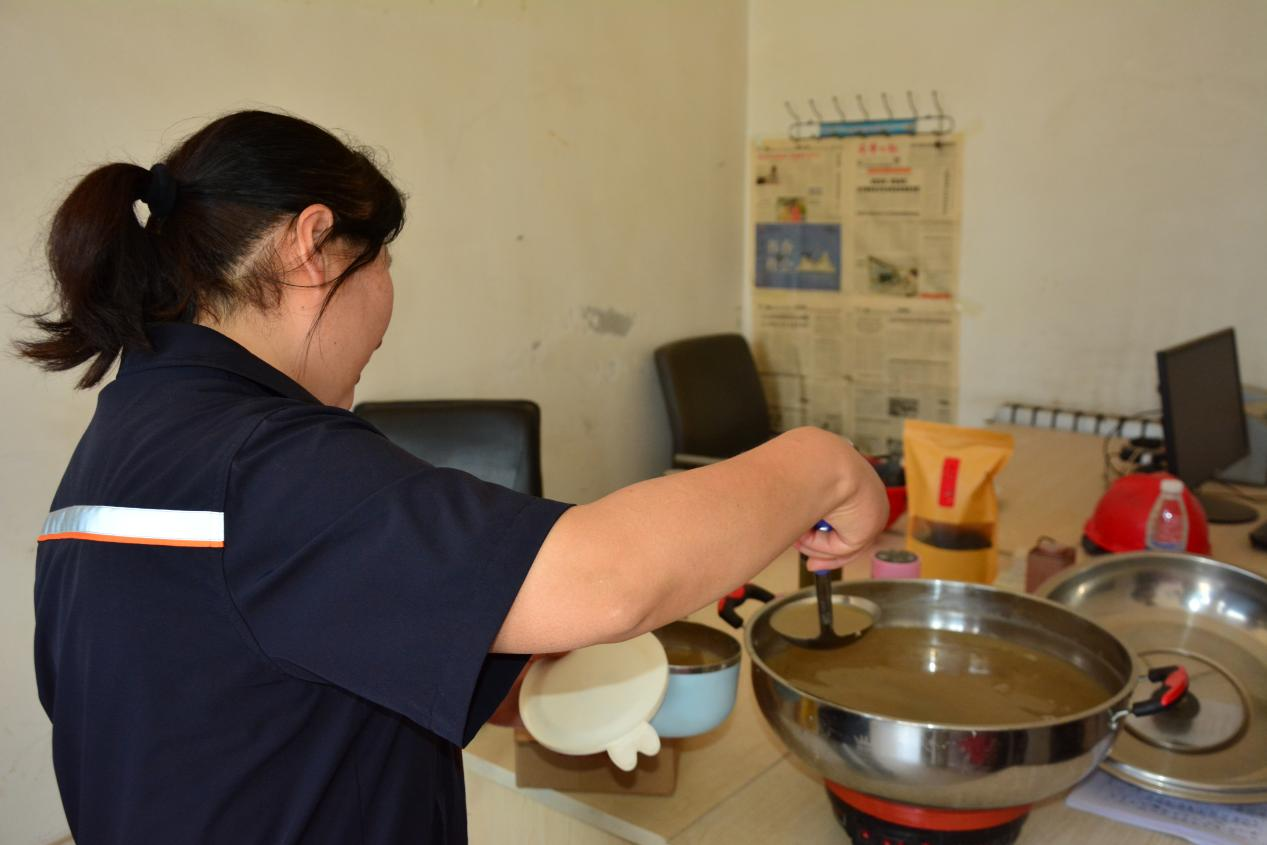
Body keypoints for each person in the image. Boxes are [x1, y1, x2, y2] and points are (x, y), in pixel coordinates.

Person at [20, 110, 888, 844]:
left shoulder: (123, 448)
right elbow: (610, 576)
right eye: (382, 260)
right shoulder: (261, 461)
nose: (389, 300)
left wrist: (494, 659)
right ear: (311, 245)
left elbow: (253, 688)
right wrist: (819, 463)